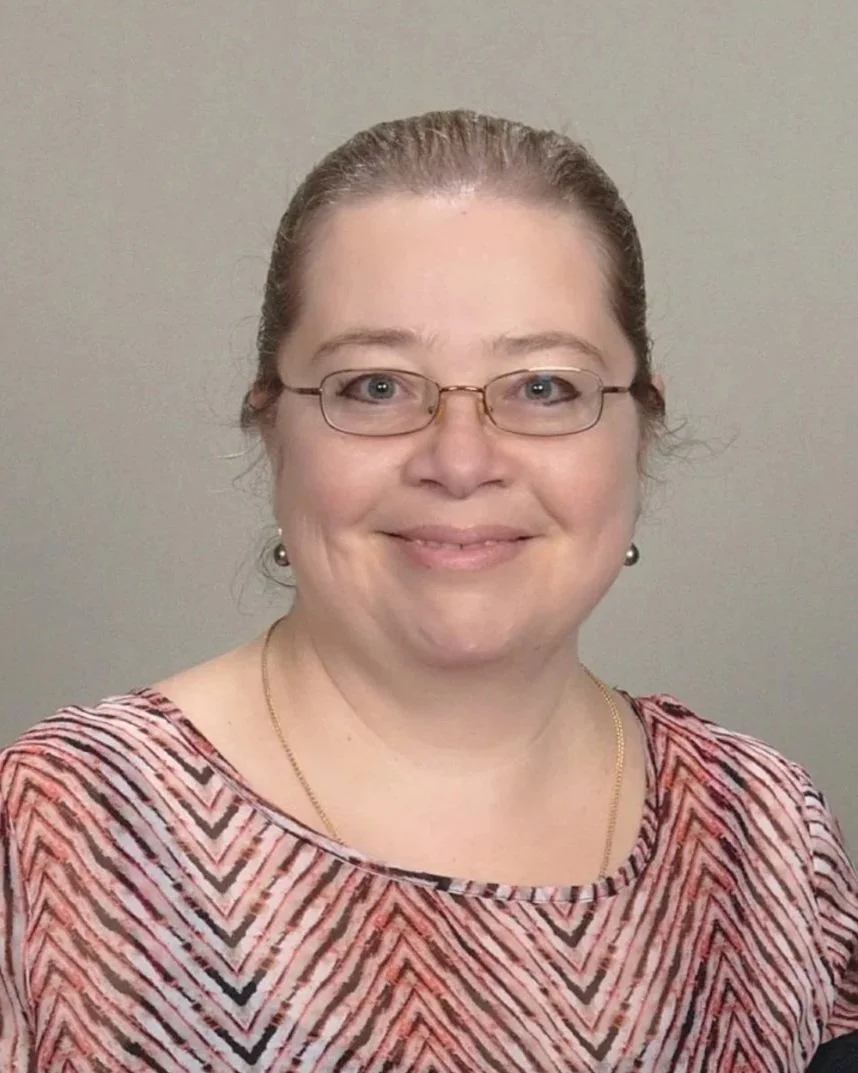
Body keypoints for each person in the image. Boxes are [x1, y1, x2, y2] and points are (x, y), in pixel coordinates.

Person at [1, 109, 855, 1073]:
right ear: (272, 423)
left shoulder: (764, 825)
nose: (460, 460)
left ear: (640, 429)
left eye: (542, 386)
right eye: (374, 385)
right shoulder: (68, 822)